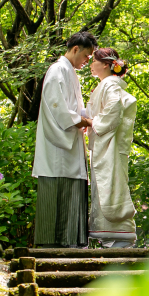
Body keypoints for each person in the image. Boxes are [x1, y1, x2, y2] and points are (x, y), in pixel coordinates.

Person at [32, 31, 97, 248]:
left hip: (71, 141)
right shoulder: (58, 70)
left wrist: (89, 113)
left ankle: (71, 243)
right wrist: (84, 121)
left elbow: (75, 107)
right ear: (76, 49)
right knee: (56, 194)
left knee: (71, 190)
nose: (88, 61)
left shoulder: (69, 72)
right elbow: (57, 107)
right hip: (58, 145)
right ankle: (51, 244)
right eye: (87, 56)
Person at [86, 48, 138, 248]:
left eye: (94, 61)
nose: (91, 65)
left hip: (109, 146)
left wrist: (91, 122)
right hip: (106, 144)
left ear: (106, 65)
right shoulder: (107, 84)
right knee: (107, 185)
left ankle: (120, 234)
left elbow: (114, 108)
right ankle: (113, 237)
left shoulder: (109, 84)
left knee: (111, 185)